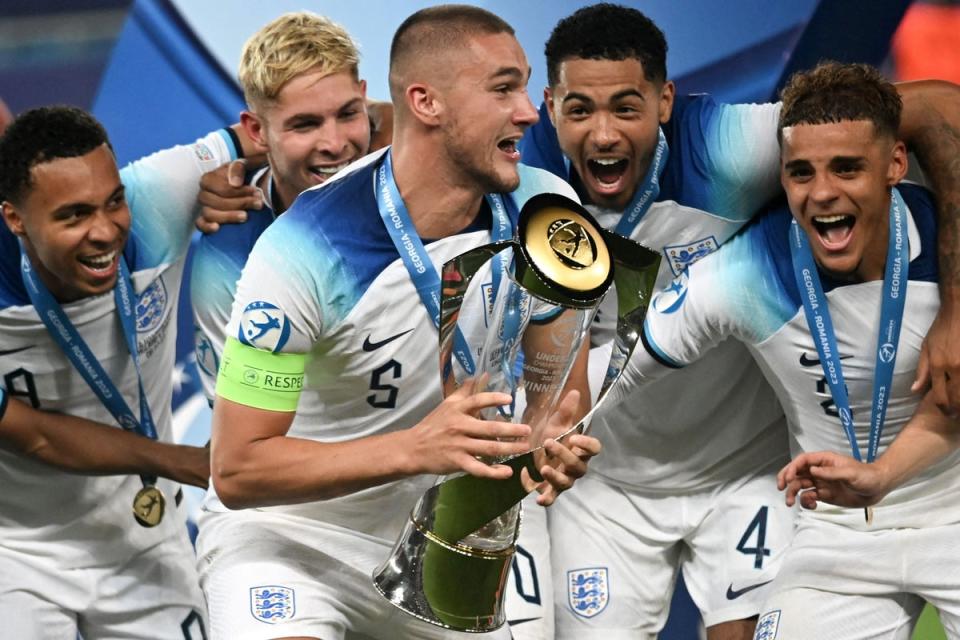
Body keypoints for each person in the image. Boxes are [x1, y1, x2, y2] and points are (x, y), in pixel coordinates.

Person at [518, 5, 960, 638]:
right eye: (580, 109)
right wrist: (556, 417)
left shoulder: (729, 148)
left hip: (750, 474)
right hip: (615, 484)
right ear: (552, 106)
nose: (605, 135)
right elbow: (610, 351)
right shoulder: (526, 183)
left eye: (626, 106)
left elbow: (937, 105)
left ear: (664, 100)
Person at [195, 6, 600, 640]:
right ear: (425, 102)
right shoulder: (303, 248)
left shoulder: (547, 211)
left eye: (522, 86)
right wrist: (416, 448)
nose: (527, 111)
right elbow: (239, 469)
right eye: (502, 89)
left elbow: (556, 394)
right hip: (294, 535)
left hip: (455, 532)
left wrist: (553, 440)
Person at [0, 106, 248, 638]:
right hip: (15, 553)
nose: (104, 232)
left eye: (113, 202)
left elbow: (310, 124)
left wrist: (238, 178)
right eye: (73, 216)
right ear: (14, 218)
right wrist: (185, 462)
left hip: (145, 540)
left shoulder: (158, 193)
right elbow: (37, 436)